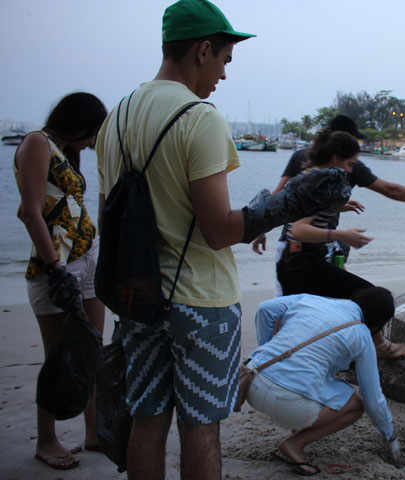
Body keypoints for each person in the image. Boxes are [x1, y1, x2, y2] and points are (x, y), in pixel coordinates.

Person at [95, 2, 348, 479]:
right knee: (201, 427)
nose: (224, 74)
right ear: (203, 49)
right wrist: (283, 205)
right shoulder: (199, 118)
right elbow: (219, 231)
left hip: (137, 297)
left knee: (147, 419)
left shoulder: (116, 117)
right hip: (200, 303)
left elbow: (109, 220)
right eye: (225, 60)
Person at [250, 114, 405, 295]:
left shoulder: (314, 164)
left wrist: (334, 207)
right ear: (338, 148)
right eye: (352, 142)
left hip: (312, 250)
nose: (352, 167)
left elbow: (282, 201)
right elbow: (390, 190)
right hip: (301, 253)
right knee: (367, 298)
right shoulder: (328, 174)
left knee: (312, 306)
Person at [14, 92, 108, 470]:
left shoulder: (65, 152)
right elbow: (29, 212)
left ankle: (94, 432)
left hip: (87, 260)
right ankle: (47, 440)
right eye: (93, 132)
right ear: (79, 122)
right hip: (56, 267)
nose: (93, 141)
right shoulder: (37, 142)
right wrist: (55, 269)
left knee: (91, 350)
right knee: (57, 357)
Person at [276, 129, 405, 359]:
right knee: (374, 298)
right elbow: (297, 229)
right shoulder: (317, 182)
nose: (350, 171)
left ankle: (276, 358)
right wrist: (341, 235)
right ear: (336, 158)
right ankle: (377, 347)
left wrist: (337, 207)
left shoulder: (311, 175)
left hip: (292, 262)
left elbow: (304, 210)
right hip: (303, 264)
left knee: (292, 318)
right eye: (349, 164)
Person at [246, 287, 403, 475]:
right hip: (285, 403)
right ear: (378, 323)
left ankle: (297, 425)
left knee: (317, 379)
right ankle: (295, 444)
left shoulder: (312, 299)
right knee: (358, 400)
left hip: (251, 382)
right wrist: (390, 436)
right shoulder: (362, 336)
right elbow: (373, 397)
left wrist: (266, 348)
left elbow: (265, 308)